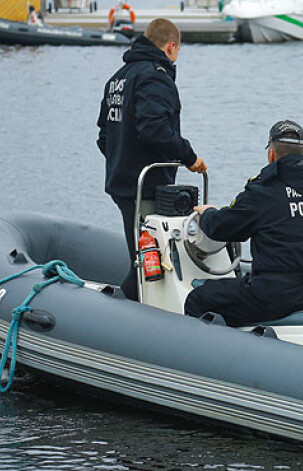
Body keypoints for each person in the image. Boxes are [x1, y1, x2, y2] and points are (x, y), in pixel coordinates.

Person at [184, 120, 303, 327]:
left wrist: (207, 213)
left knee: (199, 299)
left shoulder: (265, 190)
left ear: (271, 155)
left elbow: (221, 227)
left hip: (278, 296)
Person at [97, 18, 206, 301]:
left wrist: (122, 157)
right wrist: (189, 156)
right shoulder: (155, 76)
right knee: (147, 260)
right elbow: (154, 129)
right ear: (171, 47)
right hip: (146, 187)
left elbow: (103, 136)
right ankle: (125, 316)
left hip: (122, 184)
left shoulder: (117, 78)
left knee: (143, 256)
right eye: (177, 51)